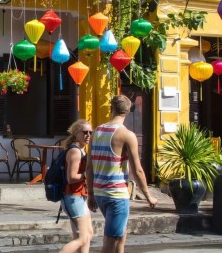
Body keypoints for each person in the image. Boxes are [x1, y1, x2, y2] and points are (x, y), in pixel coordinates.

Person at [87, 95, 157, 253]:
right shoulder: (126, 135)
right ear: (128, 111)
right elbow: (137, 170)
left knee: (120, 235)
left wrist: (90, 193)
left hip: (99, 192)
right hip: (116, 195)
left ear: (111, 108)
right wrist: (148, 196)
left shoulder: (97, 131)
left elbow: (89, 167)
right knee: (111, 239)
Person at [59, 119, 93, 253]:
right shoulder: (75, 151)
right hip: (73, 197)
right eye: (85, 132)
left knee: (86, 234)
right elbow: (72, 177)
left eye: (90, 132)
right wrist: (87, 174)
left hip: (79, 195)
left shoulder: (81, 150)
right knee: (83, 237)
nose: (88, 135)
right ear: (76, 133)